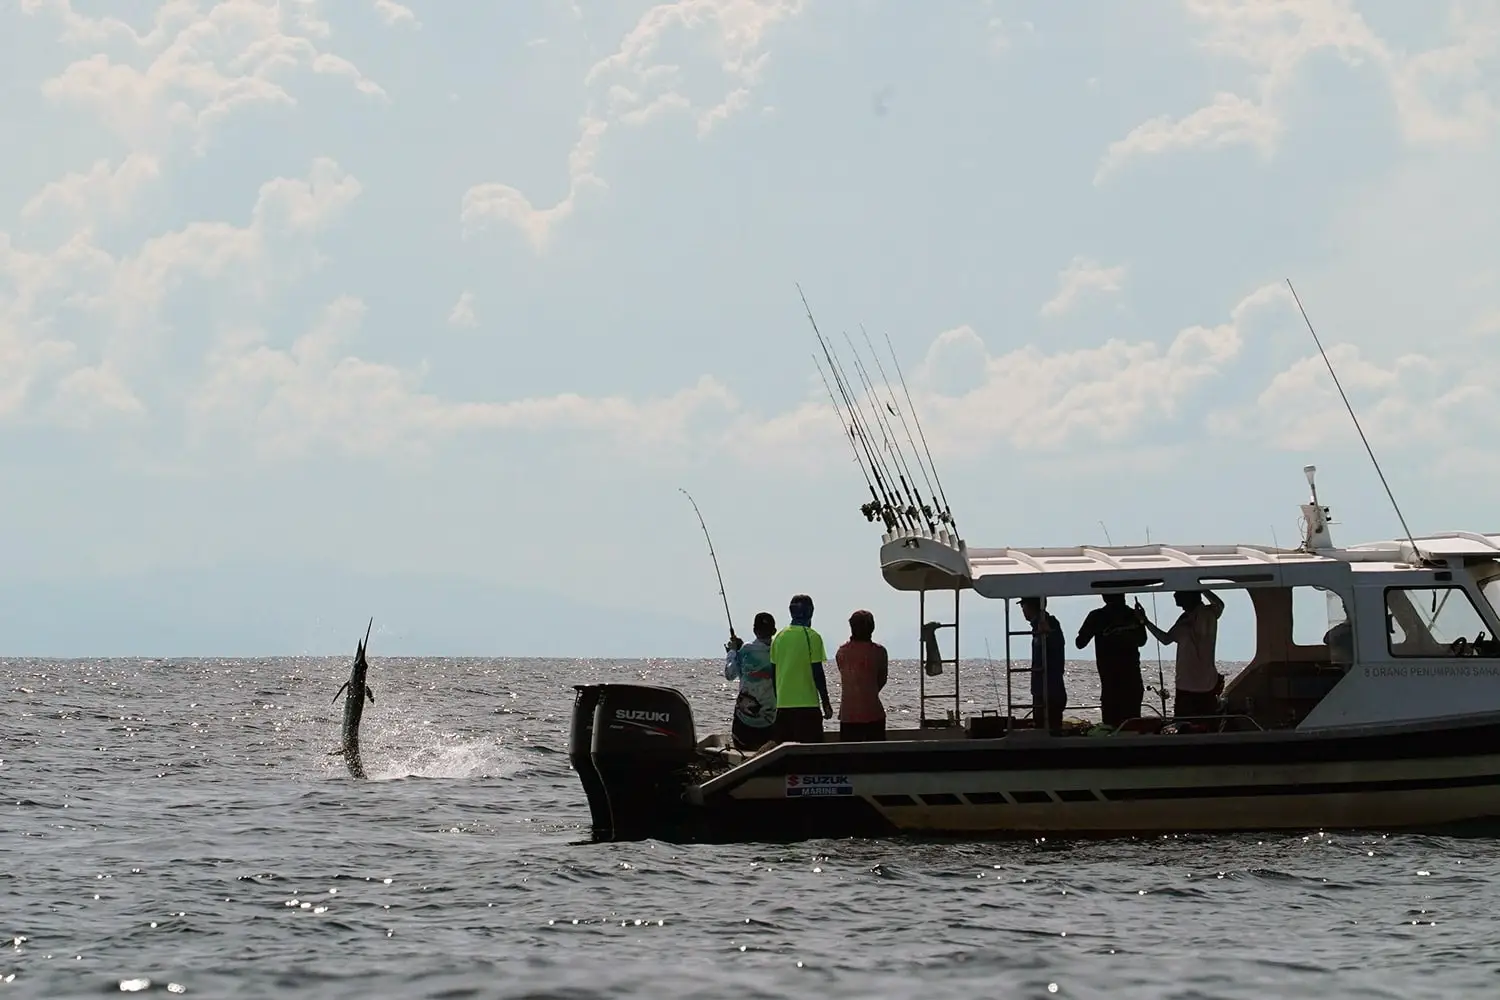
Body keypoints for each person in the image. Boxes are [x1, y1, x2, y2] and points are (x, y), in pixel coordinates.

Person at [1135, 590, 1225, 719]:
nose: (1175, 595)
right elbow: (1166, 639)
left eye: (1179, 593)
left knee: (1190, 724)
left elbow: (1165, 639)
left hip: (1193, 685)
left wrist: (1199, 587)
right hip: (1197, 683)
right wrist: (1146, 621)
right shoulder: (1195, 615)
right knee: (1201, 724)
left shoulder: (1207, 612)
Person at [1075, 593, 1148, 727]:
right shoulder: (1133, 615)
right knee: (1132, 725)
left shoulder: (1096, 616)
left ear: (1104, 597)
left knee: (1110, 726)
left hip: (1110, 683)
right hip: (1132, 681)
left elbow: (1080, 643)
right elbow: (1142, 641)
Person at [769, 594, 834, 743]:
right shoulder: (812, 637)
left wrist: (778, 701)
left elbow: (773, 673)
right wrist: (826, 703)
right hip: (808, 707)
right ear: (810, 612)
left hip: (783, 707)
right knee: (811, 754)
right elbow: (817, 673)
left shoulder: (778, 638)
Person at [724, 612, 777, 751]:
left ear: (754, 630)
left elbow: (730, 674)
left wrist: (732, 652)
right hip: (770, 722)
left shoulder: (745, 650)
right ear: (774, 631)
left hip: (744, 724)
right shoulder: (778, 651)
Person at [835, 609, 888, 741]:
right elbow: (881, 680)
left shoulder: (842, 652)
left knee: (849, 758)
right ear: (872, 628)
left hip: (848, 715)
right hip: (873, 713)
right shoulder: (879, 652)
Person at [1019, 596, 1067, 734]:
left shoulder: (1050, 623)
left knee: (1049, 730)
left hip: (1050, 689)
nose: (1022, 610)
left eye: (1023, 605)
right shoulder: (1040, 625)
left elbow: (1057, 645)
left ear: (1030, 606)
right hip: (1043, 688)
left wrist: (1048, 635)